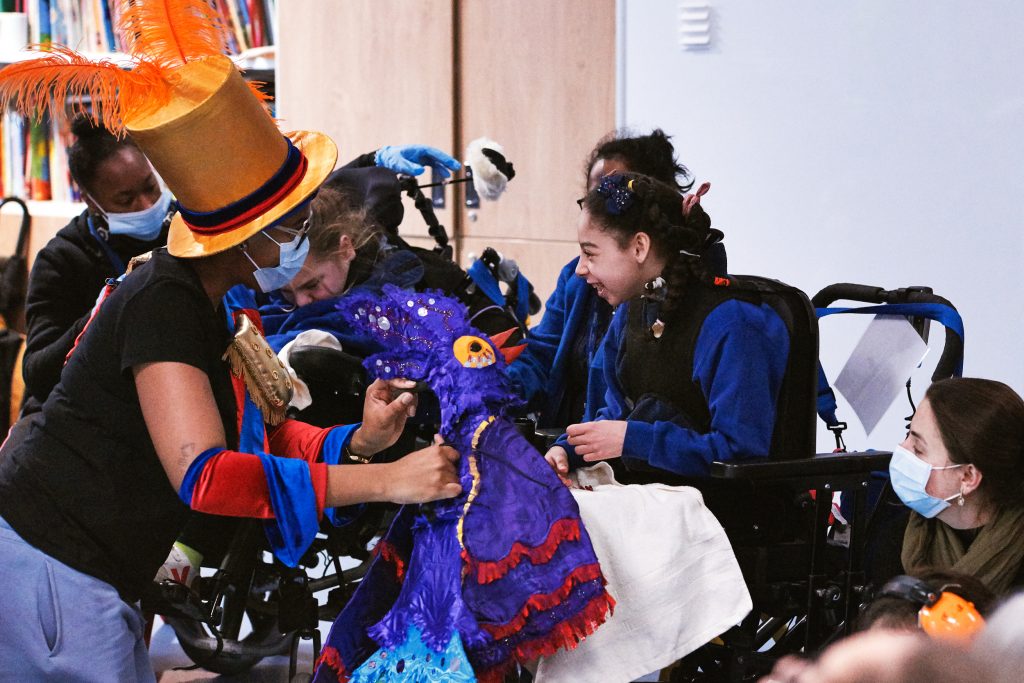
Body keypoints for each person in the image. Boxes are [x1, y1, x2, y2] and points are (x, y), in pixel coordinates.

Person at [0, 52, 461, 682]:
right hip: (53, 566)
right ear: (250, 230)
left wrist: (357, 441)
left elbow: (261, 434)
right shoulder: (162, 300)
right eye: (295, 222)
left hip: (89, 571)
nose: (305, 231)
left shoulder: (210, 306)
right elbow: (209, 475)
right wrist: (388, 482)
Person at [544, 172, 789, 478]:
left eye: (589, 253)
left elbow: (741, 452)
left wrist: (633, 439)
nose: (580, 269)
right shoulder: (630, 314)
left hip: (717, 516)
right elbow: (612, 416)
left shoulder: (732, 325)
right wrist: (566, 451)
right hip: (650, 503)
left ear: (639, 247)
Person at [507, 129, 728, 430]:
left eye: (616, 196)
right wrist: (487, 388)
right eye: (593, 198)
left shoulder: (703, 305)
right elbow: (540, 356)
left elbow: (726, 445)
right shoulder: (576, 279)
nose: (600, 207)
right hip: (575, 449)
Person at [20, 115, 173, 415]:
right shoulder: (62, 260)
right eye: (126, 199)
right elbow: (38, 374)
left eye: (150, 187)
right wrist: (105, 310)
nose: (146, 205)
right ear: (92, 203)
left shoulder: (181, 227)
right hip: (83, 414)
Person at [892, 377, 1024, 594]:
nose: (901, 448)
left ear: (968, 477)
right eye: (908, 435)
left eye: (918, 449)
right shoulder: (895, 533)